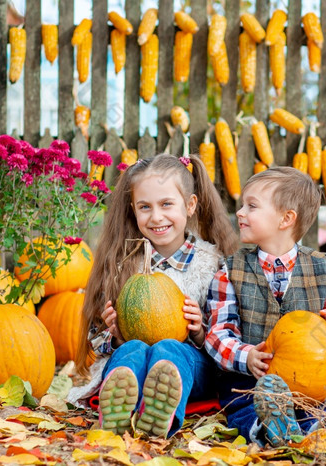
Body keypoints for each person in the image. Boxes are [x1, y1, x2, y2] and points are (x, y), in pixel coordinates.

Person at [204, 167, 326, 447]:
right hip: (253, 383)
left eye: (252, 206)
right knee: (246, 408)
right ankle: (271, 429)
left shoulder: (325, 273)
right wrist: (246, 356)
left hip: (313, 384)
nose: (239, 212)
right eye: (242, 205)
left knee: (320, 403)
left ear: (286, 218)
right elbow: (217, 334)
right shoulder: (229, 273)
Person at [75, 153, 238, 438]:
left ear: (190, 206)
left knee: (168, 350)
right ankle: (118, 411)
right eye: (145, 207)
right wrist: (114, 336)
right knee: (131, 351)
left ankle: (160, 414)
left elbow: (227, 336)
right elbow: (96, 338)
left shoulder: (211, 263)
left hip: (189, 363)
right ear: (133, 210)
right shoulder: (122, 263)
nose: (156, 216)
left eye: (166, 204)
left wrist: (199, 331)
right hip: (133, 353)